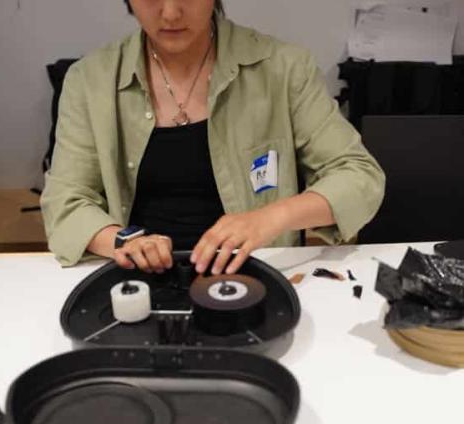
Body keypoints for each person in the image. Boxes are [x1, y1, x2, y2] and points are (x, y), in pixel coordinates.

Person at [41, 0, 385, 276]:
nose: (171, 12)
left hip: (258, 278)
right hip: (141, 282)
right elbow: (65, 201)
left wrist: (272, 217)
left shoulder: (283, 68)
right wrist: (122, 241)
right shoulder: (90, 80)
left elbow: (359, 176)